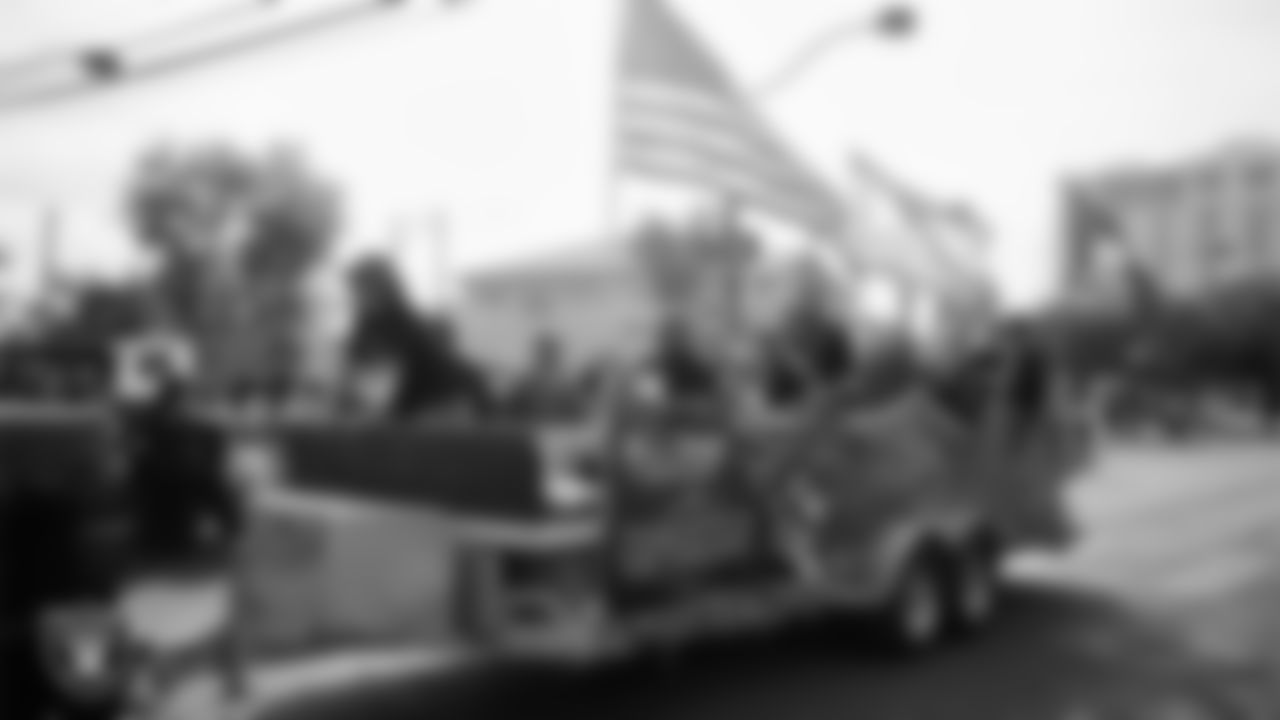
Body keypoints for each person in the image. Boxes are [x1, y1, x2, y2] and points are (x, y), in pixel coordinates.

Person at [346, 257, 489, 419]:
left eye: (360, 289)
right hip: (434, 402)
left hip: (446, 402)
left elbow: (380, 396)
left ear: (381, 288)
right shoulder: (371, 327)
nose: (356, 297)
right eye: (354, 290)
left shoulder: (395, 326)